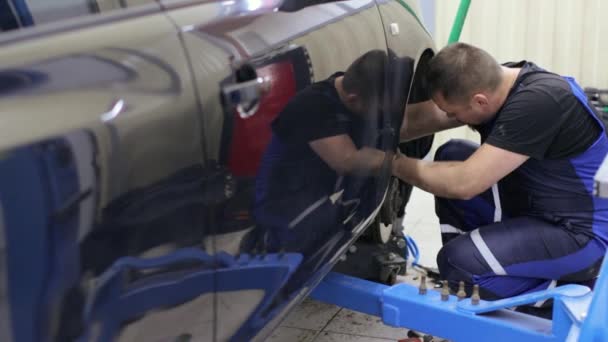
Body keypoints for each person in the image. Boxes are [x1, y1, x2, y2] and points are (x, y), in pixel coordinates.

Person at [393, 42, 608, 302]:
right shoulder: (497, 82)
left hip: (580, 237)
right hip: (537, 209)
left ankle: (565, 293)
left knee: (458, 262)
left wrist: (390, 163)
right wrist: (360, 124)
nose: (451, 117)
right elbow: (420, 119)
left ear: (479, 101)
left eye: (454, 113)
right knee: (452, 154)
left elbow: (464, 183)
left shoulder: (540, 102)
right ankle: (481, 275)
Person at [250, 50, 390, 253]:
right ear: (353, 99)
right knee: (325, 227)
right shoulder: (314, 106)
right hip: (280, 207)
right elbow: (348, 161)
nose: (378, 114)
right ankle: (269, 244)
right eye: (375, 109)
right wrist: (399, 163)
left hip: (312, 194)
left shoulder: (345, 89)